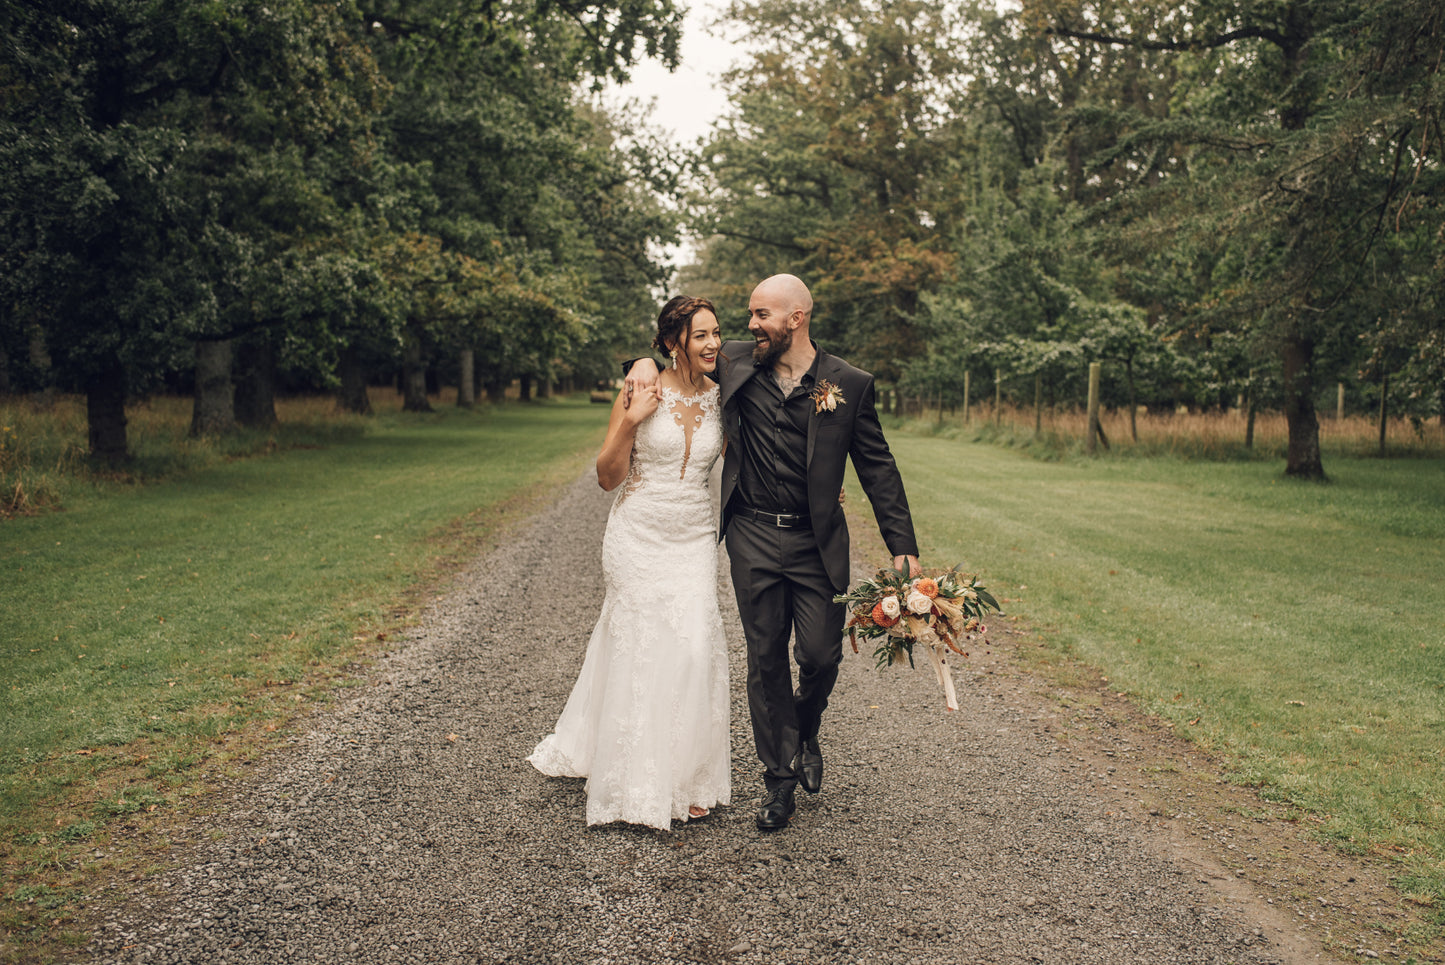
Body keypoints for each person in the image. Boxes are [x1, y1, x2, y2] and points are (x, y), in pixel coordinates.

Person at [625, 274, 919, 831]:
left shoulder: (849, 384)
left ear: (796, 319)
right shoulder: (736, 362)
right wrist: (639, 362)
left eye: (762, 315)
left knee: (819, 655)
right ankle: (778, 780)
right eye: (751, 316)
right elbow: (675, 353)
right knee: (764, 660)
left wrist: (902, 547)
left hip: (816, 541)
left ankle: (807, 729)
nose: (749, 326)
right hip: (753, 536)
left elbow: (878, 467)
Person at [529, 296, 731, 830]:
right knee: (641, 644)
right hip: (637, 534)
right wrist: (631, 420)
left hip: (692, 536)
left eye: (717, 333)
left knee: (691, 645)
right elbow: (606, 476)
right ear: (673, 343)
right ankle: (633, 777)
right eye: (702, 335)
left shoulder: (722, 397)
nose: (714, 343)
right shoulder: (641, 387)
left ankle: (684, 776)